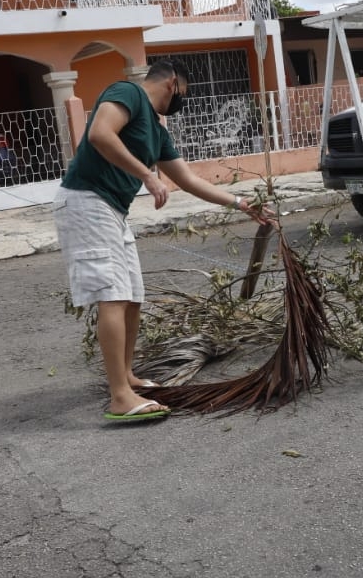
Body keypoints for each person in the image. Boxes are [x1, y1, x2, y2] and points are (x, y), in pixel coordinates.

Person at [54, 60, 274, 424]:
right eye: (184, 93)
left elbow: (187, 179)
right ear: (173, 83)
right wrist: (147, 176)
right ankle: (120, 397)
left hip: (111, 210)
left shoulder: (157, 131)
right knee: (113, 295)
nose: (182, 101)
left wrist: (240, 204)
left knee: (132, 297)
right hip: (85, 201)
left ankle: (126, 377)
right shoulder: (128, 93)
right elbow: (99, 134)